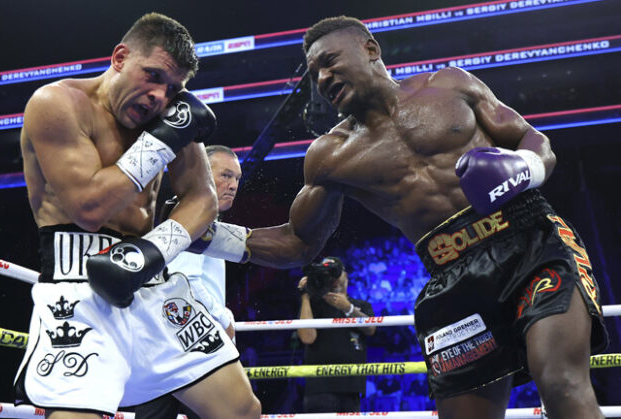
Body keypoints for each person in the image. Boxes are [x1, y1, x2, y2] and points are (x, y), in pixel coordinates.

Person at [188, 16, 608, 419]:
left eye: (329, 62)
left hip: (529, 242)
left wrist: (524, 168)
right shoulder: (330, 155)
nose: (322, 79)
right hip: (451, 277)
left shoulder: (449, 84)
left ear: (370, 49)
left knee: (561, 383)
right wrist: (200, 234)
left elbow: (532, 140)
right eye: (314, 72)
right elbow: (299, 242)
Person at [15, 13, 260, 419]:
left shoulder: (165, 114)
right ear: (120, 57)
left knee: (241, 410)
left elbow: (203, 199)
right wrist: (162, 140)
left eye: (173, 89)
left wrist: (152, 251)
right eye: (152, 76)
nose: (159, 98)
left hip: (152, 278)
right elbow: (89, 208)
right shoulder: (57, 104)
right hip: (79, 288)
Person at [135, 145, 244, 419]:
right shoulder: (195, 213)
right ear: (204, 174)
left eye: (237, 179)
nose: (233, 185)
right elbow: (186, 280)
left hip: (169, 340)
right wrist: (223, 319)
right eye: (226, 176)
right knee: (237, 411)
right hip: (192, 340)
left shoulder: (191, 211)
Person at [296, 256, 375, 413]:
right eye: (328, 274)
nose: (333, 278)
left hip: (351, 389)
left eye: (335, 272)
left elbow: (371, 328)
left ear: (345, 275)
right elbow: (307, 337)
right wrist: (305, 295)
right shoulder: (313, 306)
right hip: (319, 389)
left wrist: (348, 308)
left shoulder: (360, 306)